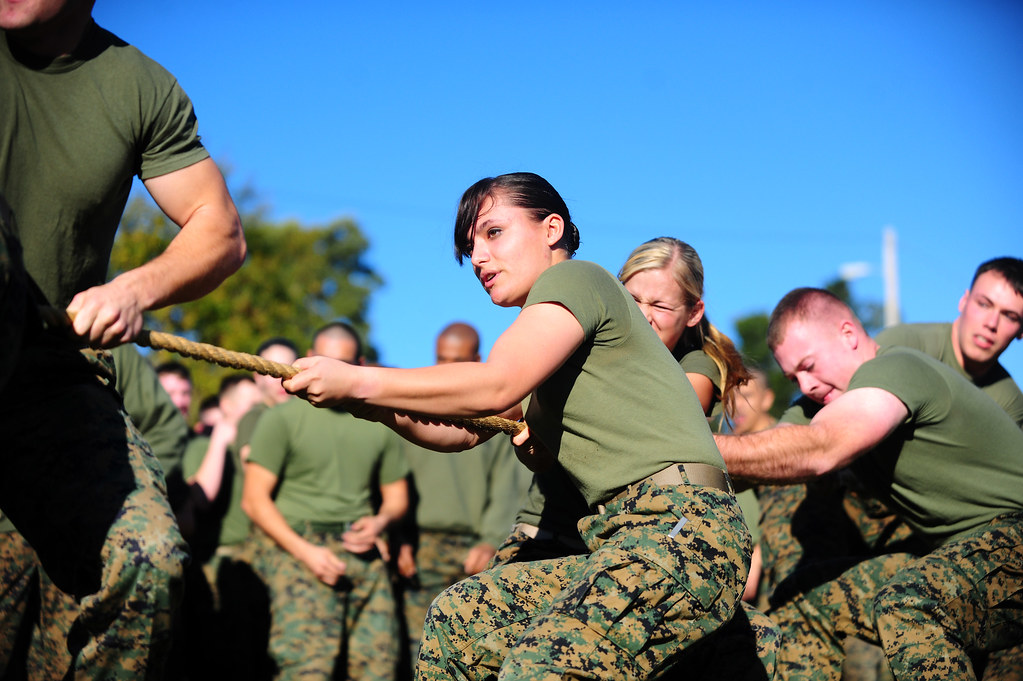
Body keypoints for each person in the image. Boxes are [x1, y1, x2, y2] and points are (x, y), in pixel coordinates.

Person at [283, 172, 750, 680]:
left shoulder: (578, 279)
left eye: (493, 233)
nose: (478, 257)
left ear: (552, 229)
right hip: (620, 537)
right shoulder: (545, 343)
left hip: (681, 528)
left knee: (545, 665)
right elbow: (461, 430)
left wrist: (360, 380)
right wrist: (367, 403)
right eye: (470, 246)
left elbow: (494, 384)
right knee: (460, 621)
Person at [1, 0, 246, 677]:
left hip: (50, 379)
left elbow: (218, 229)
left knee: (148, 562)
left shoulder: (138, 85)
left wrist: (132, 289)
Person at [714, 287, 1023, 679]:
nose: (806, 385)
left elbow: (822, 448)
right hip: (959, 553)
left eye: (809, 364)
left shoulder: (896, 369)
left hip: (1013, 536)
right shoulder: (821, 401)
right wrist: (672, 461)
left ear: (848, 334)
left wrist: (698, 446)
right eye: (794, 376)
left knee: (910, 603)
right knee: (805, 599)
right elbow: (763, 453)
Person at [242, 322, 409, 681]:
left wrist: (380, 522)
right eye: (322, 360)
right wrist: (307, 553)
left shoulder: (380, 422)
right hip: (298, 553)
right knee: (307, 671)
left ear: (360, 364)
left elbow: (397, 498)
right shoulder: (280, 418)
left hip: (362, 555)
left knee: (379, 670)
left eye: (342, 363)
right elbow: (254, 501)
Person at [394, 322, 530, 671]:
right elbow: (392, 480)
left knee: (470, 653)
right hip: (419, 550)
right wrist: (399, 540)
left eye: (456, 359)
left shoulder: (493, 416)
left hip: (472, 552)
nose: (446, 368)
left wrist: (489, 540)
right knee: (414, 652)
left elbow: (506, 484)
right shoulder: (411, 408)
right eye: (440, 359)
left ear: (477, 359)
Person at [875, 256, 1023, 427]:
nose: (991, 323)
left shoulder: (1010, 406)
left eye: (1009, 317)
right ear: (964, 301)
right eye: (983, 304)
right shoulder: (901, 345)